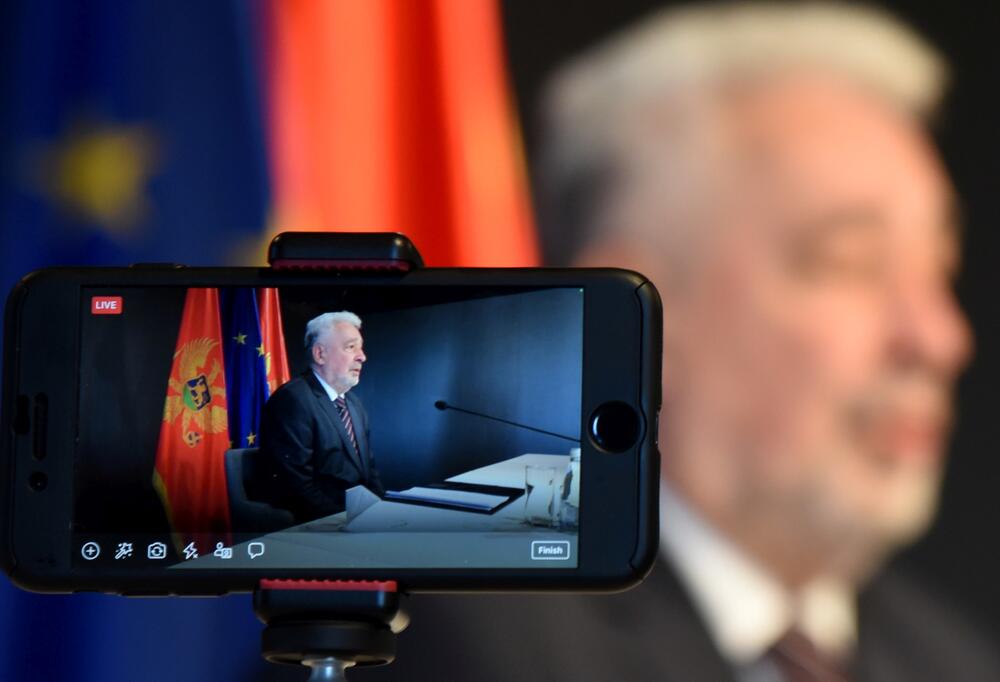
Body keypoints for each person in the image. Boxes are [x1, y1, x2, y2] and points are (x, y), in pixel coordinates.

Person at [358, 3, 1000, 680]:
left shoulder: (959, 665)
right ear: (637, 318)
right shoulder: (456, 645)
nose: (940, 338)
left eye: (942, 269)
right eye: (852, 263)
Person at [260, 311, 384, 522]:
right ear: (320, 354)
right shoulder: (292, 400)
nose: (362, 356)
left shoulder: (353, 403)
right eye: (351, 347)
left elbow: (369, 473)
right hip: (322, 522)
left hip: (360, 517)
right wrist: (346, 522)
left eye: (361, 348)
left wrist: (384, 509)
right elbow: (296, 487)